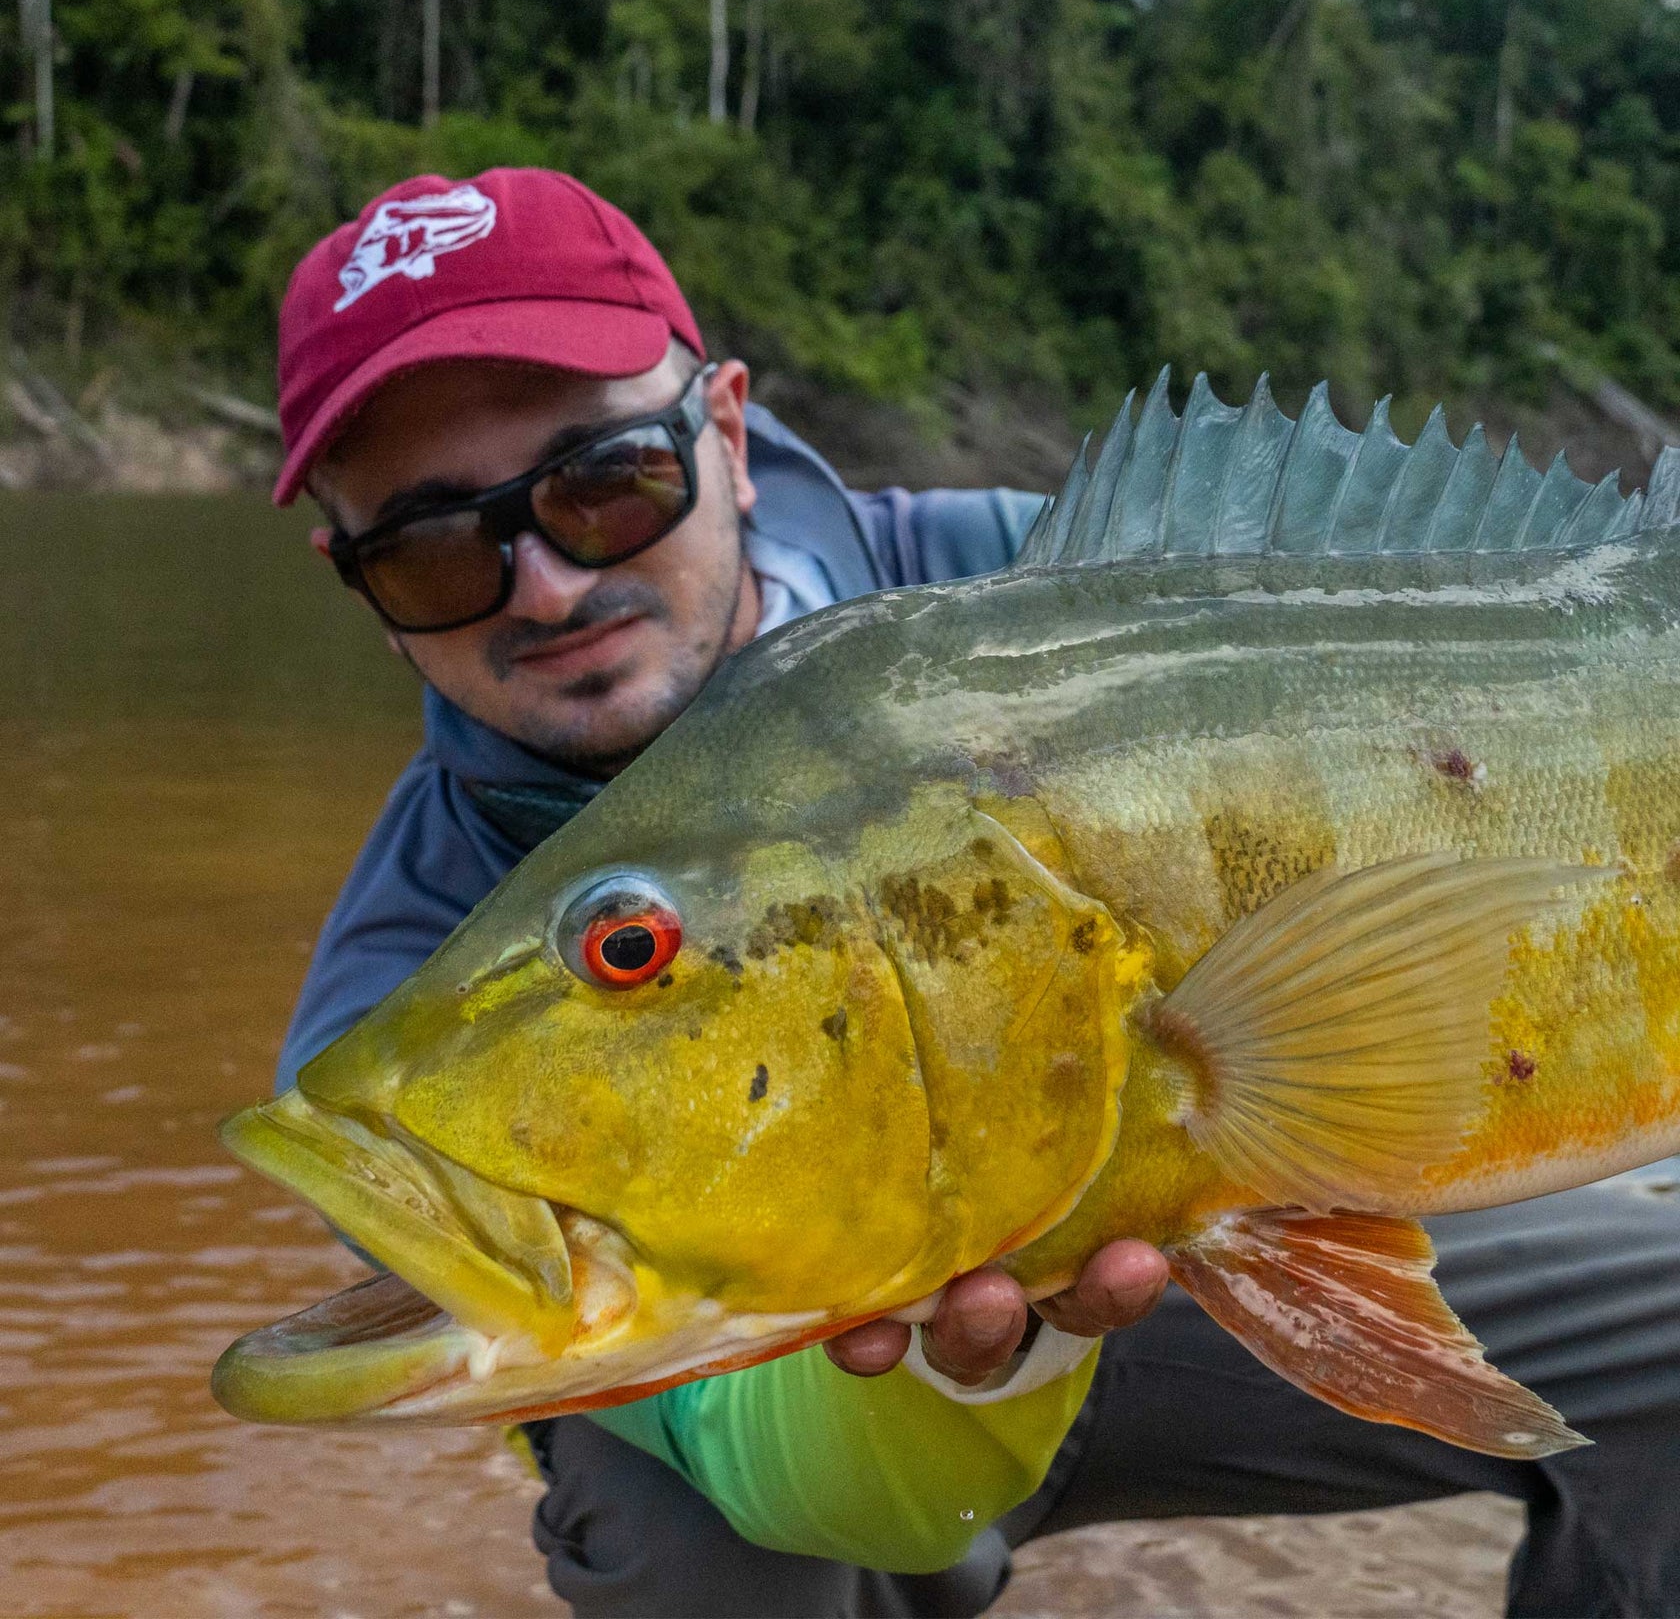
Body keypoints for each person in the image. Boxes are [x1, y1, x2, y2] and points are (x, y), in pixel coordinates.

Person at [272, 168, 1680, 1619]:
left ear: (730, 432)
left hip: (1193, 1264)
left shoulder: (1037, 582)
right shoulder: (392, 1008)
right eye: (434, 549)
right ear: (359, 587)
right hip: (843, 1406)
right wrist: (966, 1376)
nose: (548, 585)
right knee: (704, 1556)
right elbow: (772, 1466)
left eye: (604, 482)